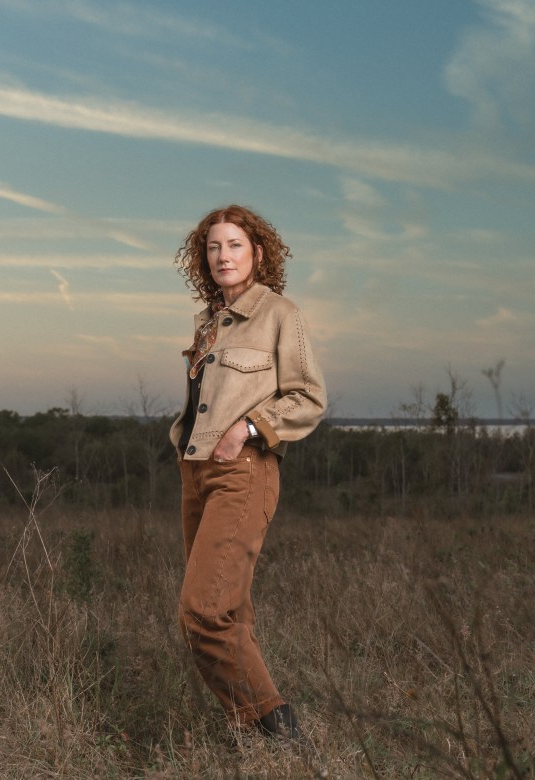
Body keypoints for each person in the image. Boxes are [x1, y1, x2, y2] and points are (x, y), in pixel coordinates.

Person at [170, 204, 327, 741]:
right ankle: (256, 736)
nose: (223, 256)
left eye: (234, 245)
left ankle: (277, 726)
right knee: (228, 612)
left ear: (258, 253)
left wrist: (251, 428)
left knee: (202, 611)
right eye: (213, 247)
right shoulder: (209, 324)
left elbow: (308, 397)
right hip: (196, 474)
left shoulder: (280, 313)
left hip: (243, 471)